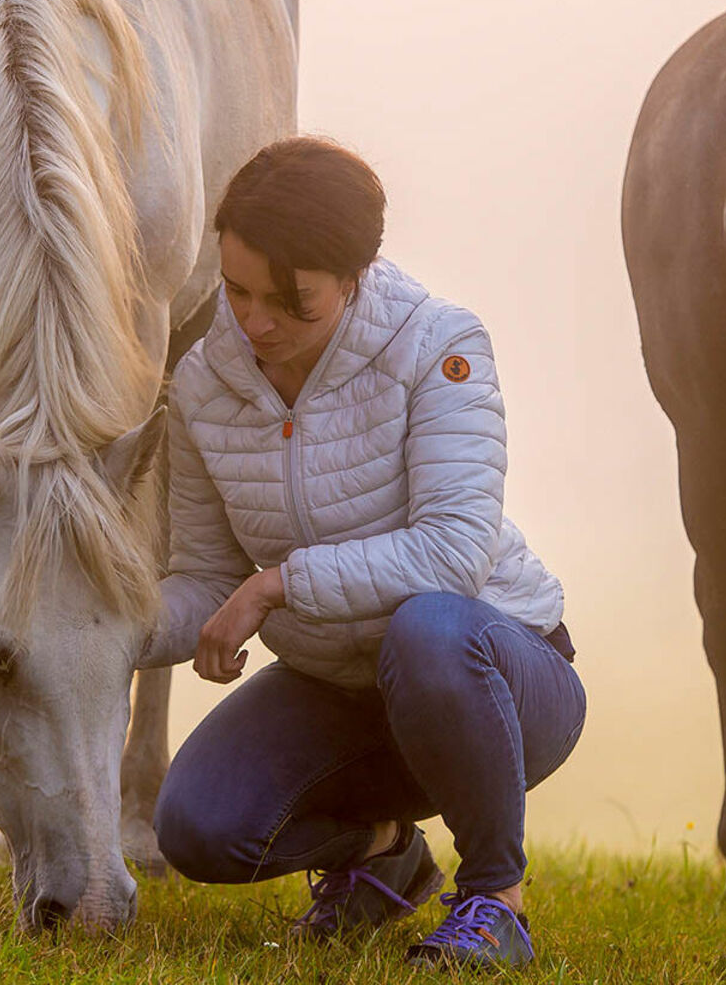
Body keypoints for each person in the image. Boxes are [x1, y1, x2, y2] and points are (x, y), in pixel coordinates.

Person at [142, 136, 583, 970]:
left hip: (498, 679)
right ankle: (385, 857)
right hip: (339, 693)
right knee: (196, 827)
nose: (256, 322)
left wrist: (278, 584)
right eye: (236, 291)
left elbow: (454, 554)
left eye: (291, 302)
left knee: (428, 629)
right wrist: (106, 633)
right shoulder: (202, 386)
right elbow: (203, 580)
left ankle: (497, 903)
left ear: (354, 278)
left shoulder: (440, 346)